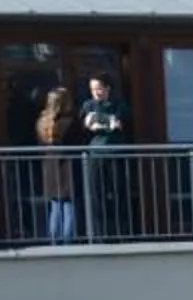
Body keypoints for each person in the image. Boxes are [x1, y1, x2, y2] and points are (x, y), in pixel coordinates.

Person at [79, 74, 129, 239]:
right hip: (95, 154)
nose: (96, 92)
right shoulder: (88, 105)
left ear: (107, 88)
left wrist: (101, 121)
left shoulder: (118, 105)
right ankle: (98, 233)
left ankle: (120, 231)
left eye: (99, 88)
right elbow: (87, 125)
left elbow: (119, 124)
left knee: (118, 191)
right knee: (95, 193)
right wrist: (106, 122)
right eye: (92, 89)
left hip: (115, 152)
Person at [34, 87, 79, 243]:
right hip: (67, 168)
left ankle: (54, 239)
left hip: (49, 167)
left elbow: (40, 145)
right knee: (68, 205)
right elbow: (78, 141)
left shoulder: (42, 122)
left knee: (55, 206)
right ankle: (67, 241)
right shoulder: (69, 122)